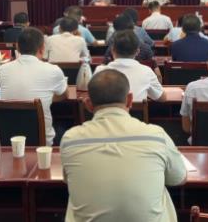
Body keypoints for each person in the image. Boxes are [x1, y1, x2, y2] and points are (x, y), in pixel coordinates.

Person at [60, 69, 186, 222]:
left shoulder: (70, 139)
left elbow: (68, 179)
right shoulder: (156, 135)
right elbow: (178, 178)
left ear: (88, 104)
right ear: (129, 100)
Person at [0, 28, 68, 146]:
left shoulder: (3, 69)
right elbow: (64, 95)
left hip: (9, 141)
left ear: (17, 47)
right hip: (43, 143)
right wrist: (47, 99)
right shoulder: (53, 70)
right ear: (42, 48)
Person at [95, 30, 165, 102]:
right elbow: (162, 98)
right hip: (137, 110)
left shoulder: (100, 71)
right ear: (137, 52)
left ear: (112, 50)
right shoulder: (147, 71)